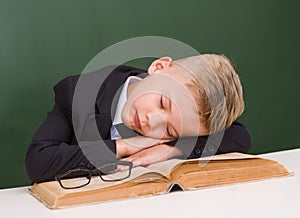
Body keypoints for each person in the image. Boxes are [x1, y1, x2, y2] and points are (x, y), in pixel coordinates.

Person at [25, 54, 251, 183]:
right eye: (163, 103)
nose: (152, 122)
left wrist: (172, 149)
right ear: (160, 67)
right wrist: (124, 147)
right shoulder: (78, 93)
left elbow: (240, 136)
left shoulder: (190, 119)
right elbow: (38, 162)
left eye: (170, 131)